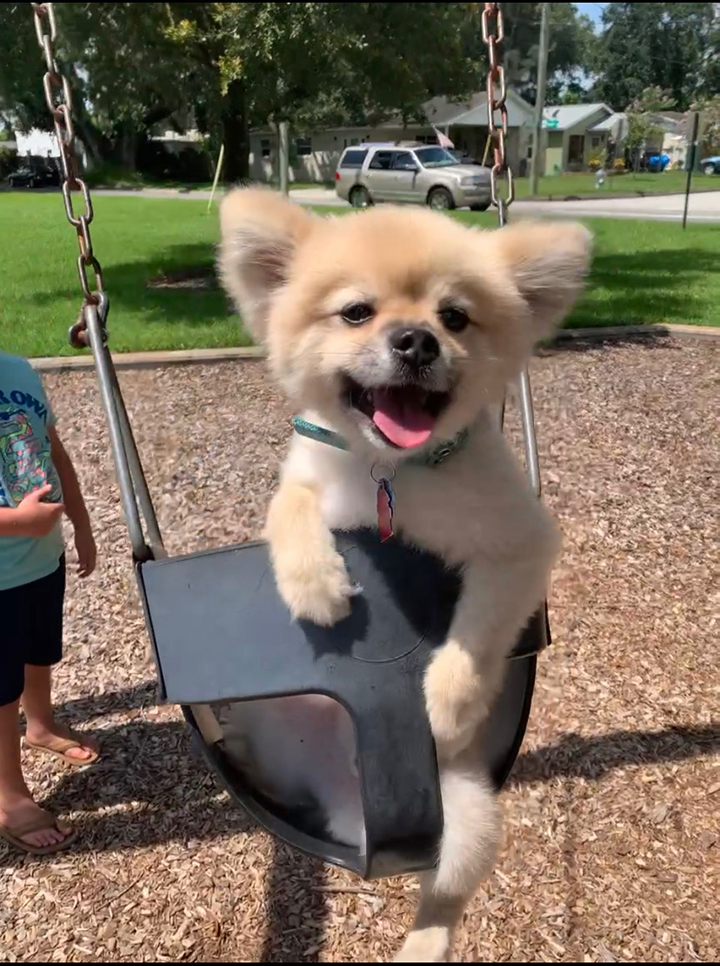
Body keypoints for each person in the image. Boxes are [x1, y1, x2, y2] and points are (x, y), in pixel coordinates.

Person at [0, 352, 97, 854]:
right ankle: (9, 794)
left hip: (42, 557)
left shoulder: (17, 370)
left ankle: (39, 725)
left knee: (39, 653)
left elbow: (54, 451)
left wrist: (79, 522)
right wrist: (17, 522)